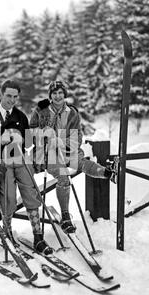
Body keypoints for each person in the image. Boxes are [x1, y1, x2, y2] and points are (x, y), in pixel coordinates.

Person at [0, 79, 53, 255]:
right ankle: (8, 233)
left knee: (31, 193)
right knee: (8, 199)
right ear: (1, 94)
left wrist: (32, 138)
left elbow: (28, 142)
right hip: (2, 163)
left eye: (15, 97)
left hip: (21, 160)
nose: (12, 100)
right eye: (8, 96)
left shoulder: (20, 116)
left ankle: (38, 237)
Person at [30, 80, 115, 234]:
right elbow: (31, 132)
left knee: (81, 162)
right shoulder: (41, 110)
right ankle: (65, 216)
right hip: (47, 154)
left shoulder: (72, 113)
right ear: (50, 95)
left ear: (65, 95)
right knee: (63, 176)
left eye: (60, 93)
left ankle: (106, 173)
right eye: (54, 93)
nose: (57, 96)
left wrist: (61, 142)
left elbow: (78, 137)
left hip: (67, 150)